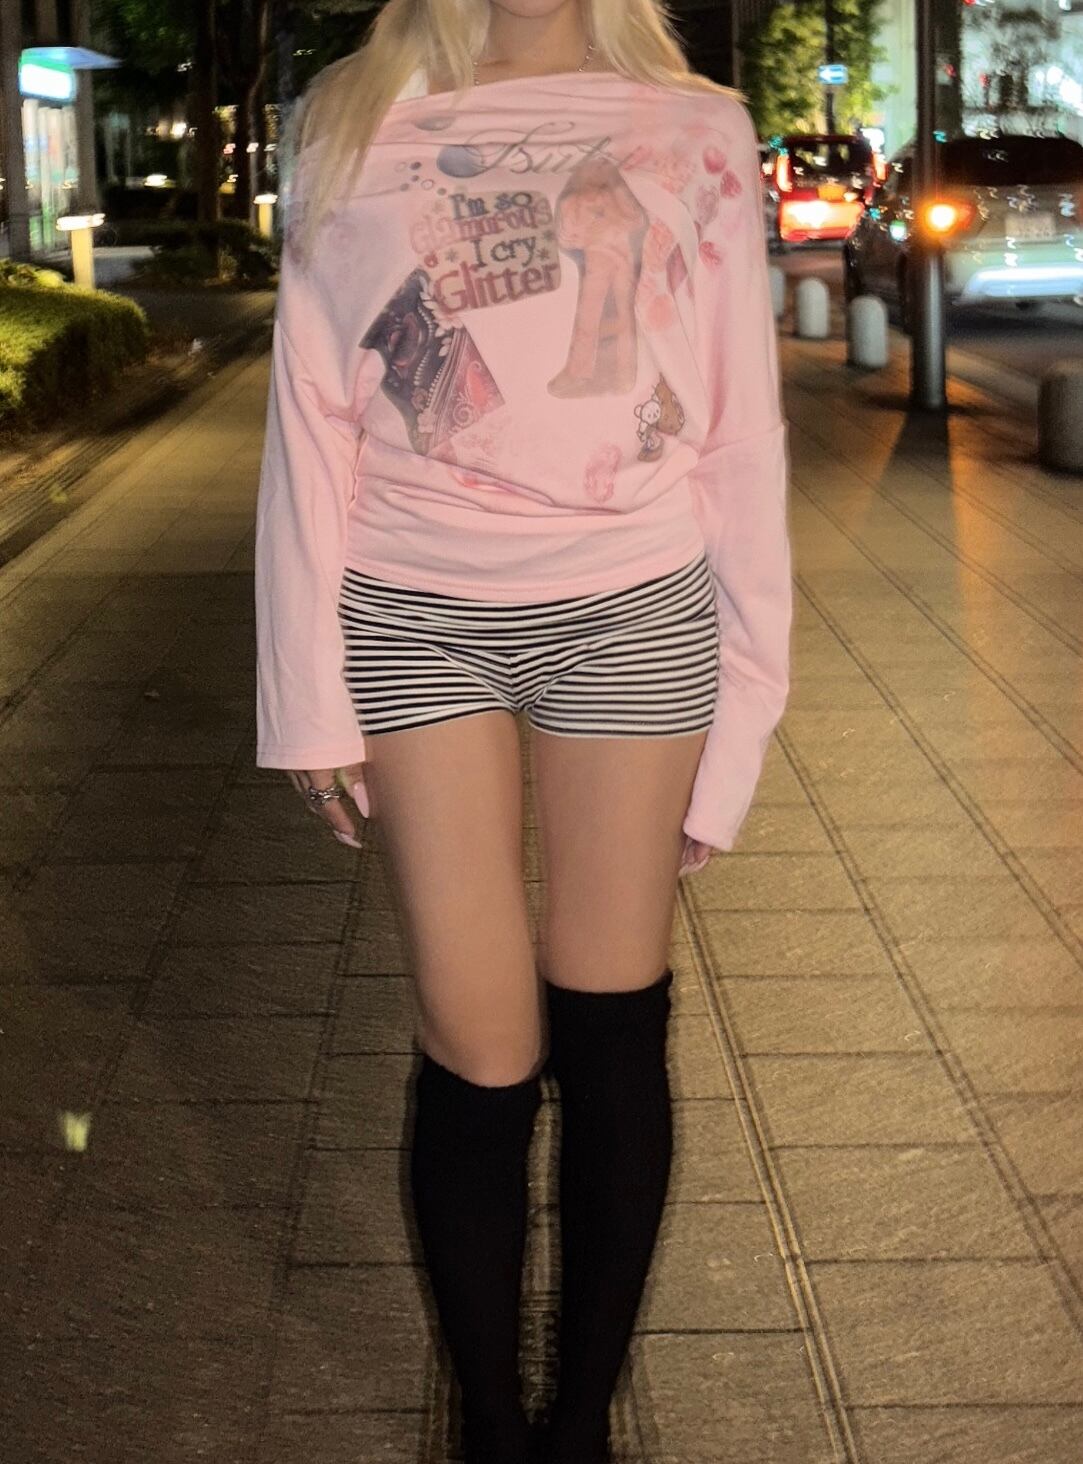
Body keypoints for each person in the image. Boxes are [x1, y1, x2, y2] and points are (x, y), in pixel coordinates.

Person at [253, 1, 793, 1460]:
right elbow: (309, 410)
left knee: (612, 1025)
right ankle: (491, 1427)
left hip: (635, 606)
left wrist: (747, 715)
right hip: (412, 613)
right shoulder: (349, 117)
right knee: (478, 1045)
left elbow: (740, 430)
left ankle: (580, 1427)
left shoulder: (695, 127)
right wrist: (304, 689)